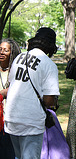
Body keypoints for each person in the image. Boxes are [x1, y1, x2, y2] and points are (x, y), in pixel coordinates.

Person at [0, 27, 60, 159]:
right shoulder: (49, 64)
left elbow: (13, 85)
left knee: (17, 156)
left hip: (11, 118)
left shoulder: (18, 58)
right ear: (51, 45)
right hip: (30, 122)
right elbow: (49, 101)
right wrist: (55, 101)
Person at [0, 38, 21, 159]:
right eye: (0, 49)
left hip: (10, 119)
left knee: (9, 152)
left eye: (5, 50)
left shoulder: (17, 72)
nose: (1, 52)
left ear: (12, 53)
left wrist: (5, 92)